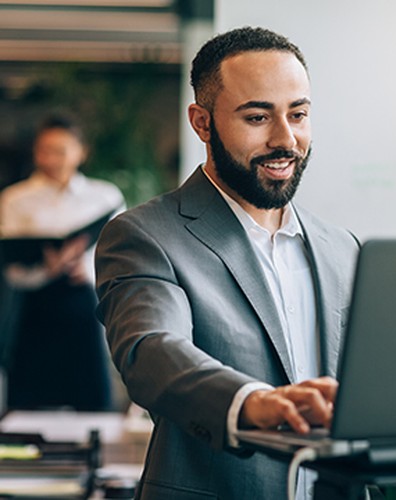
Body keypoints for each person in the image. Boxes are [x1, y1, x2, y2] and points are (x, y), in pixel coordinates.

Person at [95, 26, 359, 499]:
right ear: (202, 122)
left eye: (297, 114)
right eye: (257, 117)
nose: (286, 139)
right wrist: (254, 403)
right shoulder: (145, 235)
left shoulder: (343, 248)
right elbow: (151, 350)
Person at [0, 112, 124, 410]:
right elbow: (10, 264)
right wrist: (46, 268)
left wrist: (86, 268)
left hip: (85, 303)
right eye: (44, 150)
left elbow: (122, 256)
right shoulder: (14, 199)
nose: (51, 158)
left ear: (81, 152)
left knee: (91, 398)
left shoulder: (104, 197)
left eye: (61, 150)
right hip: (35, 307)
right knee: (29, 402)